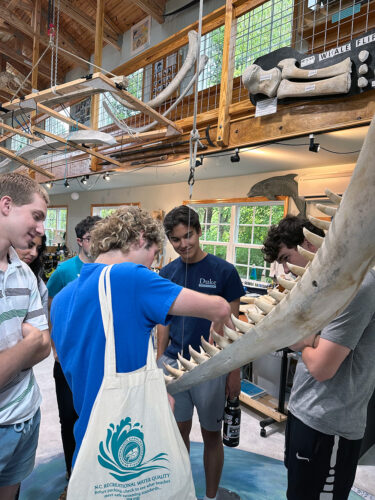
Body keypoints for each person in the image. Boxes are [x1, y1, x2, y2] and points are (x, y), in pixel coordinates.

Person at [50, 206, 234, 471]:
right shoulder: (131, 277)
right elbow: (219, 307)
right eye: (154, 253)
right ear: (139, 238)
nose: (152, 262)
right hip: (127, 435)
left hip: (88, 433)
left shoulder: (63, 297)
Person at [262, 215, 375, 500]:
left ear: (308, 244)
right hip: (303, 411)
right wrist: (313, 341)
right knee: (297, 494)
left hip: (330, 423)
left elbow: (323, 366)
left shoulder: (356, 285)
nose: (287, 268)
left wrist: (302, 339)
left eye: (287, 257)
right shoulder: (325, 286)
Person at [156, 205, 244, 500]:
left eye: (188, 236)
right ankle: (182, 493)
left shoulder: (224, 272)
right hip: (175, 366)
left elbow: (234, 330)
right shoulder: (167, 273)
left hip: (211, 367)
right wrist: (158, 362)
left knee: (211, 436)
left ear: (199, 231)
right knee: (177, 434)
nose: (183, 245)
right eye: (176, 240)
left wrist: (234, 372)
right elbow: (163, 324)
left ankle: (210, 496)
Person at [0, 172, 50, 500]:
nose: (42, 229)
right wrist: (27, 344)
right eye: (37, 216)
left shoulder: (23, 272)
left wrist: (34, 343)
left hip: (27, 415)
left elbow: (44, 345)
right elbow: (36, 342)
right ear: (6, 205)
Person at [47, 215, 101, 480]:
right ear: (80, 242)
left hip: (97, 361)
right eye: (93, 238)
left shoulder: (110, 270)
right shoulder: (64, 271)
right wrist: (55, 345)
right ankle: (72, 476)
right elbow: (49, 305)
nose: (99, 243)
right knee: (69, 421)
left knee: (98, 421)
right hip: (67, 362)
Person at [16, 235, 48, 318]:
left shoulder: (39, 284)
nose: (34, 253)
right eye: (29, 245)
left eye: (38, 249)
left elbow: (41, 326)